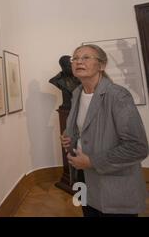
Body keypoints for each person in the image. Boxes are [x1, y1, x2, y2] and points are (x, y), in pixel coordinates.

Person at [61, 44, 148, 217]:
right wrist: (70, 137)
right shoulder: (77, 92)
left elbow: (138, 147)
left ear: (101, 65)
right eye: (75, 58)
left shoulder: (118, 96)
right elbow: (83, 128)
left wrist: (92, 161)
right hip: (83, 178)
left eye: (86, 57)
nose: (79, 61)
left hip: (113, 186)